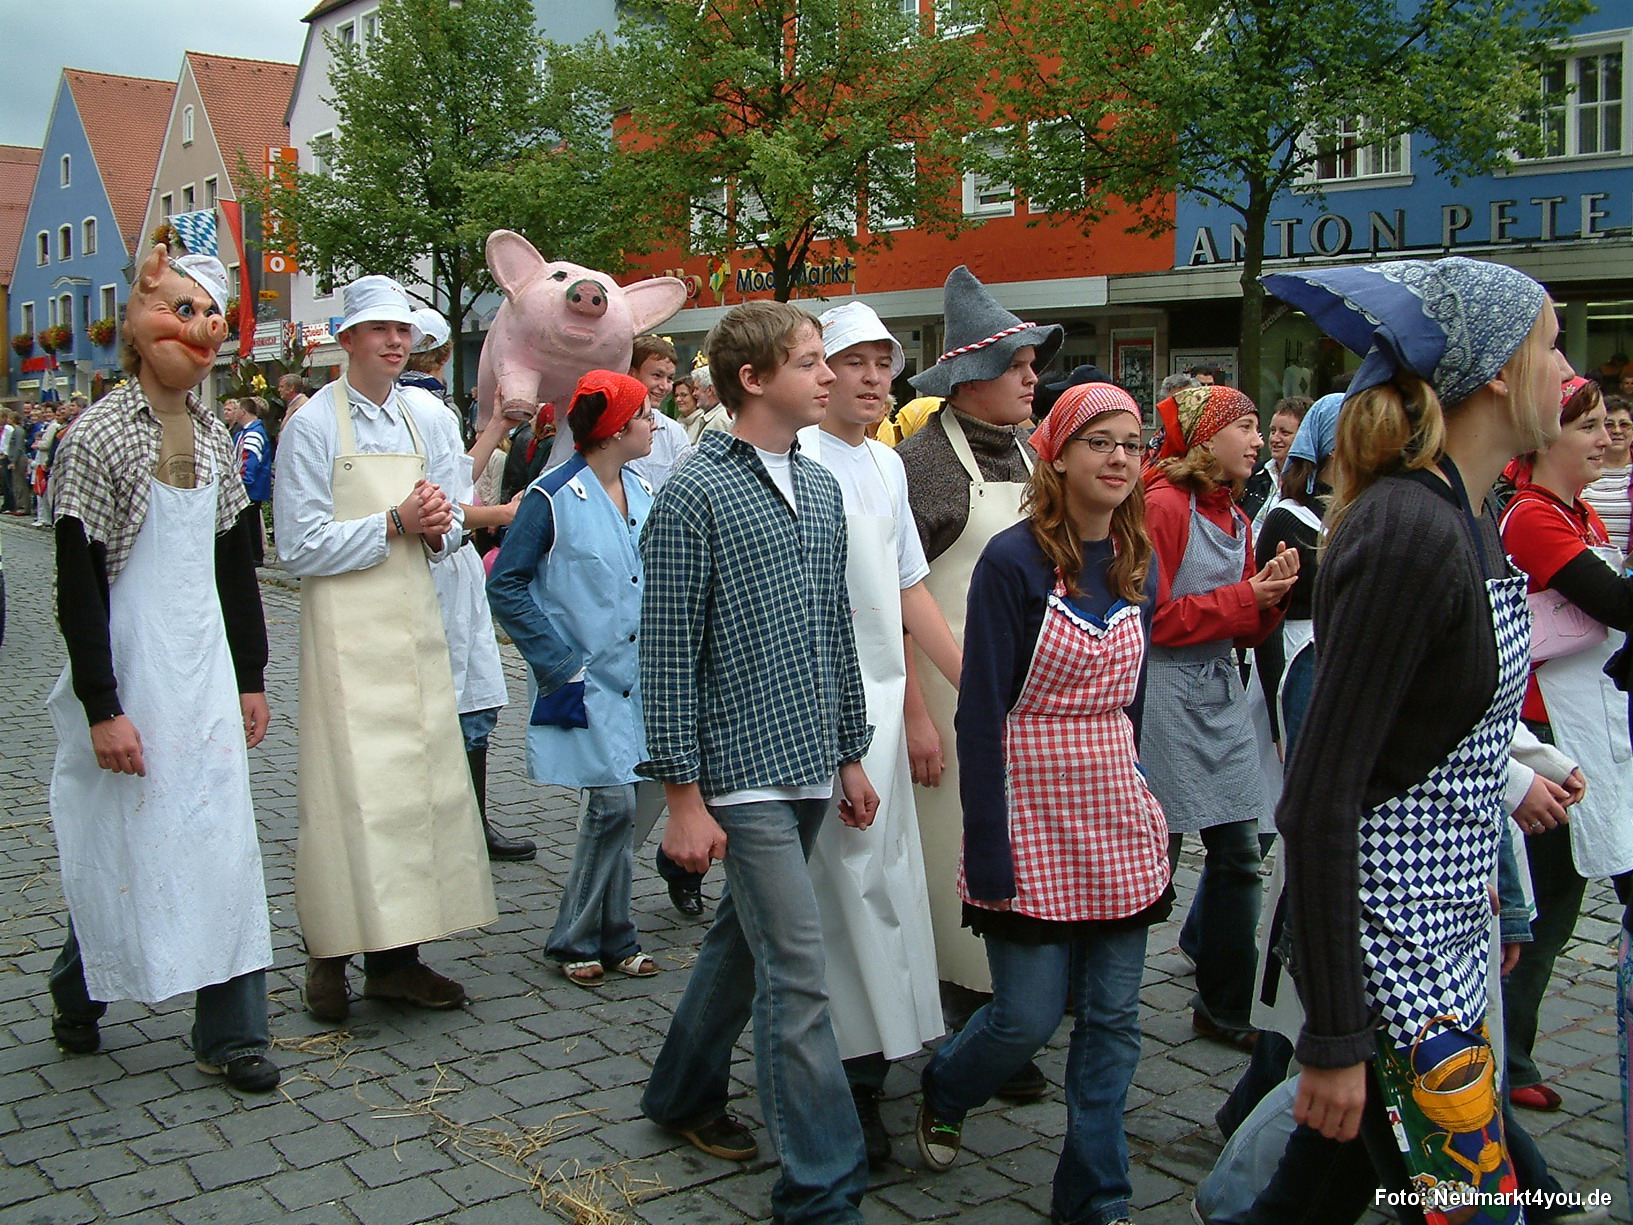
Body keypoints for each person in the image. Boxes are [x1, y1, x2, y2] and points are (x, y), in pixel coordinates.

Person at [1262, 255, 1574, 1222]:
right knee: (1477, 1207)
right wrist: (1335, 1036)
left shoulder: (1463, 511)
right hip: (1392, 967)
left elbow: (1429, 748)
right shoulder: (1407, 527)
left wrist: (1480, 873)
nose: (1569, 373)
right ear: (1490, 372)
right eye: (1550, 347)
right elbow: (1320, 797)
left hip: (1439, 939)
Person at [638, 300, 879, 1225]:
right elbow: (663, 651)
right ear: (753, 379)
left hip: (810, 761)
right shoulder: (695, 492)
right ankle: (820, 1189)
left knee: (744, 942)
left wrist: (849, 752)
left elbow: (833, 631)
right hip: (736, 773)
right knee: (799, 971)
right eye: (812, 361)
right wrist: (682, 796)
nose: (830, 376)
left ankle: (680, 1092)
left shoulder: (817, 487)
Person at [916, 382, 1171, 1225]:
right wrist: (986, 843)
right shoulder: (1014, 561)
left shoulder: (1136, 557)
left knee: (1111, 1019)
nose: (1118, 459)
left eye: (1131, 444)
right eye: (1099, 441)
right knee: (1023, 1018)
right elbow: (981, 706)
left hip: (1111, 809)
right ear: (1056, 454)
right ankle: (948, 1080)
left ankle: (1094, 1195)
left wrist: (1138, 794)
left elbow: (1133, 698)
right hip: (1026, 807)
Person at [45, 246, 278, 1092]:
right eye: (180, 309)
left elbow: (233, 565)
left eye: (209, 313)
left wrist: (250, 673)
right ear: (139, 330)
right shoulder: (97, 437)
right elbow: (77, 585)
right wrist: (101, 704)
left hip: (204, 667)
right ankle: (82, 983)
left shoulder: (217, 435)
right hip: (133, 667)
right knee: (128, 832)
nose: (201, 329)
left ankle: (232, 1030)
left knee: (222, 838)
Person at [274, 274, 497, 1026]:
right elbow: (299, 546)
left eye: (403, 331)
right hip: (343, 637)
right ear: (347, 341)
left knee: (412, 796)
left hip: (411, 630)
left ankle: (396, 960)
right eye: (379, 331)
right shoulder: (310, 427)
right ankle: (328, 954)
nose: (395, 342)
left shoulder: (424, 417)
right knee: (344, 797)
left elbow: (453, 519)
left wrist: (438, 527)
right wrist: (396, 522)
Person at [798, 301, 961, 1167]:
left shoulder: (887, 466)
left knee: (879, 885)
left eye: (882, 363)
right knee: (833, 899)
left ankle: (864, 1066)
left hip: (880, 711)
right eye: (852, 361)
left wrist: (964, 681)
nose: (870, 378)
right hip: (817, 712)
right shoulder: (794, 462)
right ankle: (843, 1088)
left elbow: (907, 589)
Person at [896, 266, 1063, 1013]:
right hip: (946, 697)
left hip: (1026, 701)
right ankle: (963, 997)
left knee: (1021, 848)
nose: (1032, 379)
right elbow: (891, 599)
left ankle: (1015, 995)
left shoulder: (1032, 456)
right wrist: (914, 715)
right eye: (1018, 366)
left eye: (1032, 366)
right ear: (973, 376)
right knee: (952, 850)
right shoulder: (921, 466)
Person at [488, 370, 664, 985]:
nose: (653, 424)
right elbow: (505, 583)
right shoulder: (550, 496)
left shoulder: (643, 491)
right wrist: (555, 659)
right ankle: (575, 939)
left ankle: (613, 938)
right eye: (643, 414)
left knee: (626, 803)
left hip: (637, 680)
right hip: (580, 679)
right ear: (615, 427)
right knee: (612, 805)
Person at [1142, 383, 1296, 1052]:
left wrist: (1272, 598)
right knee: (1153, 858)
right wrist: (1246, 597)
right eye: (1247, 427)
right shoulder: (1162, 506)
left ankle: (1224, 1004)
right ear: (1206, 439)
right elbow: (1150, 619)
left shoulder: (1234, 514)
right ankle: (1087, 986)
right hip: (1166, 697)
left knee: (1238, 854)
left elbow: (1243, 625)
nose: (1258, 441)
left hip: (1217, 694)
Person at [1498, 375, 1633, 1112]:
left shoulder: (1581, 513)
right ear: (1545, 439)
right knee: (1548, 905)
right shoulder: (1532, 517)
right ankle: (1506, 1055)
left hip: (1588, 720)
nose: (1604, 438)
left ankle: (1511, 1050)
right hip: (1546, 728)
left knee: (1567, 897)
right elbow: (1616, 603)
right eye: (1587, 427)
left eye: (1609, 425)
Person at [405, 314, 534, 863]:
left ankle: (468, 823)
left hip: (448, 573)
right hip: (434, 568)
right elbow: (444, 506)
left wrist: (498, 427)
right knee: (455, 704)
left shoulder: (428, 409)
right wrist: (502, 512)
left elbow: (457, 474)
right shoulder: (422, 409)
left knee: (469, 699)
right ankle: (457, 826)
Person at [624, 334, 696, 492]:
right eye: (657, 376)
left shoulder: (673, 432)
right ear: (631, 373)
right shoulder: (608, 426)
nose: (664, 386)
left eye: (670, 379)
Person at [1241, 396, 1311, 523]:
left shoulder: (1310, 485)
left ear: (1304, 436)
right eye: (1273, 431)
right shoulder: (1253, 474)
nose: (1274, 439)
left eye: (1285, 433)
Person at [223, 396, 273, 566]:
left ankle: (254, 556)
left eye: (236, 409)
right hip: (248, 486)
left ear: (243, 411)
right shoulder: (243, 433)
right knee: (247, 522)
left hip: (251, 487)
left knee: (250, 523)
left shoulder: (253, 434)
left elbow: (249, 461)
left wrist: (243, 483)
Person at [1580, 394, 1632, 556]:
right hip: (1586, 571)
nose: (1617, 430)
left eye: (1625, 425)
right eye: (1609, 424)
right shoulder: (1579, 470)